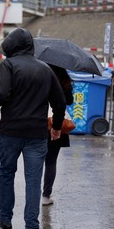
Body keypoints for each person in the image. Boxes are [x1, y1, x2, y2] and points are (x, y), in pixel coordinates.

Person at [0, 28, 66, 229]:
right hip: (37, 134)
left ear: (12, 46)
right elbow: (59, 103)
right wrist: (56, 127)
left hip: (11, 132)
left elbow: (1, 94)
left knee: (6, 174)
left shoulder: (8, 65)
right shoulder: (45, 69)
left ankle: (5, 219)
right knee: (33, 181)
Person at [42, 64, 74, 206]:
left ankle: (32, 193)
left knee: (35, 161)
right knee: (51, 161)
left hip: (40, 122)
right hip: (58, 122)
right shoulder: (64, 80)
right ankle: (46, 195)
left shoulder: (41, 76)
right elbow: (69, 101)